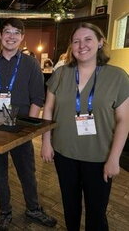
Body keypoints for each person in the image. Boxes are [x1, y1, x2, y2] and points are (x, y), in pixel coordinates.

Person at [41, 22, 129, 231]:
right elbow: (48, 109)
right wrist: (46, 142)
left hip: (100, 156)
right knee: (70, 208)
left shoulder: (117, 76)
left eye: (88, 39)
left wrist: (114, 158)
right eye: (76, 41)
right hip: (64, 153)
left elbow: (124, 120)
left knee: (96, 213)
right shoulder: (61, 74)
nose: (82, 45)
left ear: (100, 42)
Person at [0, 18, 57, 230]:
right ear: (0, 36)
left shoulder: (30, 64)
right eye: (7, 32)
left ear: (22, 37)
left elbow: (37, 99)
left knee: (27, 171)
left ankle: (33, 208)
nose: (11, 36)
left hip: (21, 129)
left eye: (16, 32)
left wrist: (28, 131)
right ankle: (5, 211)